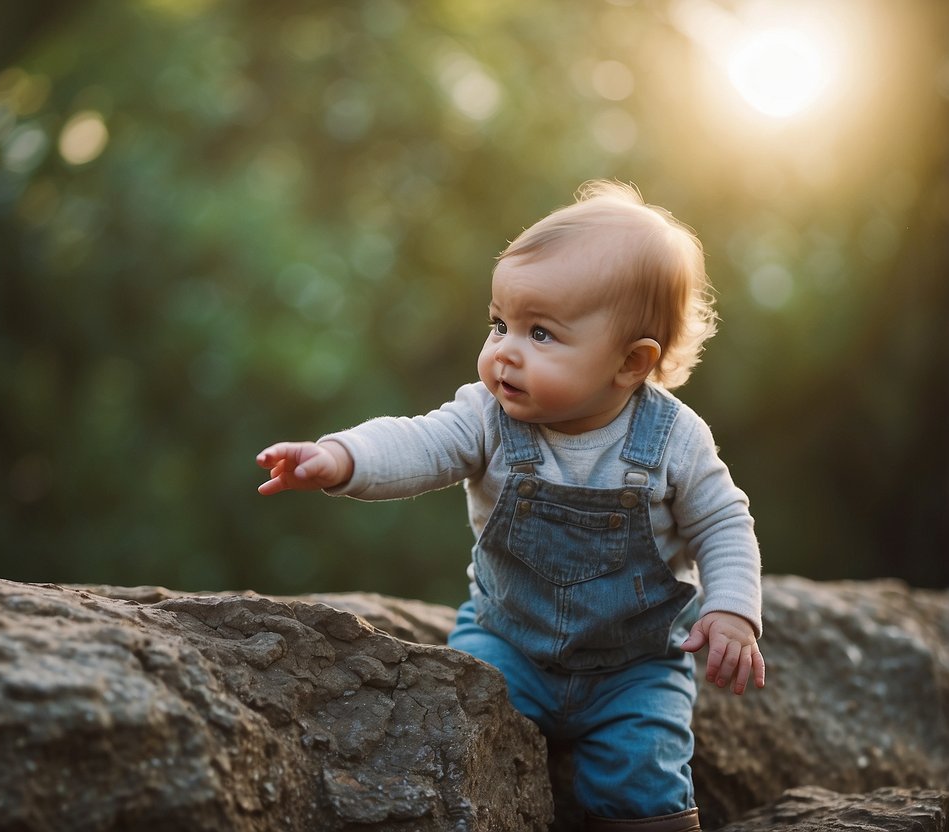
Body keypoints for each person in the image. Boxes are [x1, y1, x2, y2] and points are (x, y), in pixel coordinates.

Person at [255, 181, 764, 831]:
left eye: (541, 333)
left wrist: (730, 612)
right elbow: (419, 440)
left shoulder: (671, 439)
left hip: (634, 670)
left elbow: (722, 521)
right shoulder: (488, 416)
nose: (504, 351)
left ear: (630, 364)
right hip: (506, 645)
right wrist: (340, 458)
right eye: (499, 324)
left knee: (644, 778)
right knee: (456, 735)